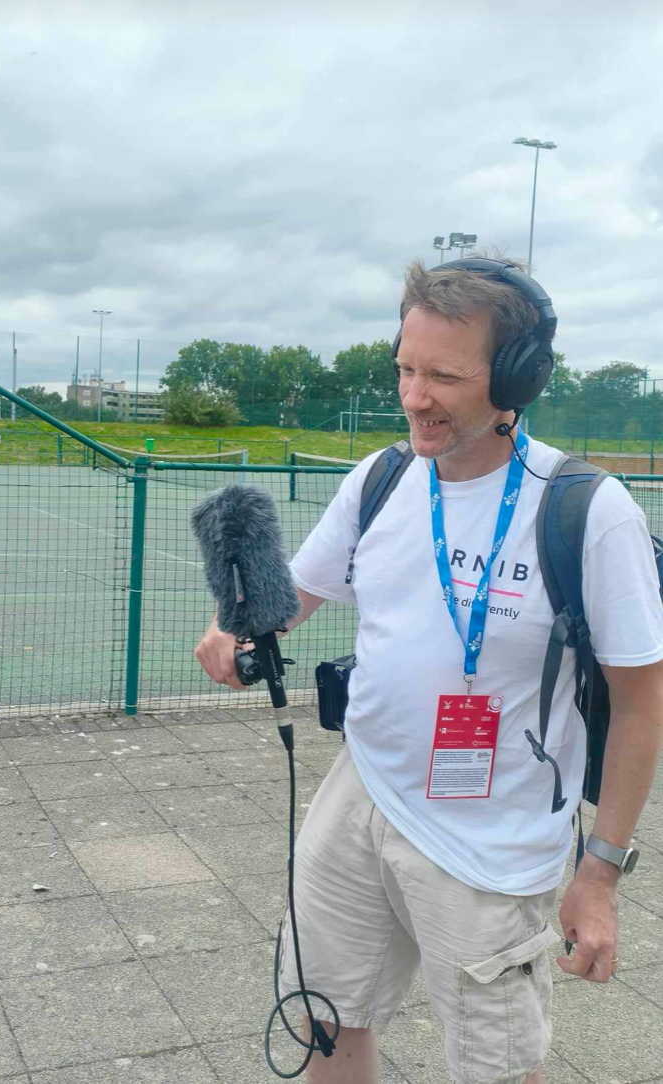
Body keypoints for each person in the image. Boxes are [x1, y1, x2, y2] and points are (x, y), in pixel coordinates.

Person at [195, 257, 663, 1084]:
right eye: (406, 367)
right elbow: (293, 598)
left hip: (494, 843)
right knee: (323, 1019)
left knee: (493, 1067)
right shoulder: (380, 480)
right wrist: (231, 632)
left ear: (518, 378)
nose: (414, 396)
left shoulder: (589, 510)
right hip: (362, 790)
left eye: (445, 375)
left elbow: (640, 704)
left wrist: (599, 875)